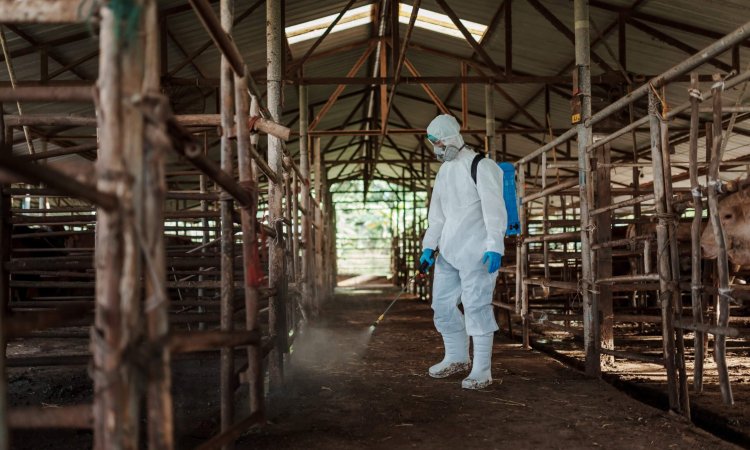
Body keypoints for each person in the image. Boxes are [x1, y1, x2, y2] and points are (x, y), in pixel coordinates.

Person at [420, 114, 507, 390]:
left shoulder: (482, 166)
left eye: (440, 143)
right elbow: (437, 216)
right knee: (442, 306)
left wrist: (495, 246)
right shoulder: (444, 172)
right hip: (448, 251)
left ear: (453, 138)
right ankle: (456, 357)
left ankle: (482, 369)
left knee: (476, 306)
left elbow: (495, 210)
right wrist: (428, 247)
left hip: (477, 251)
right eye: (434, 144)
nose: (437, 149)